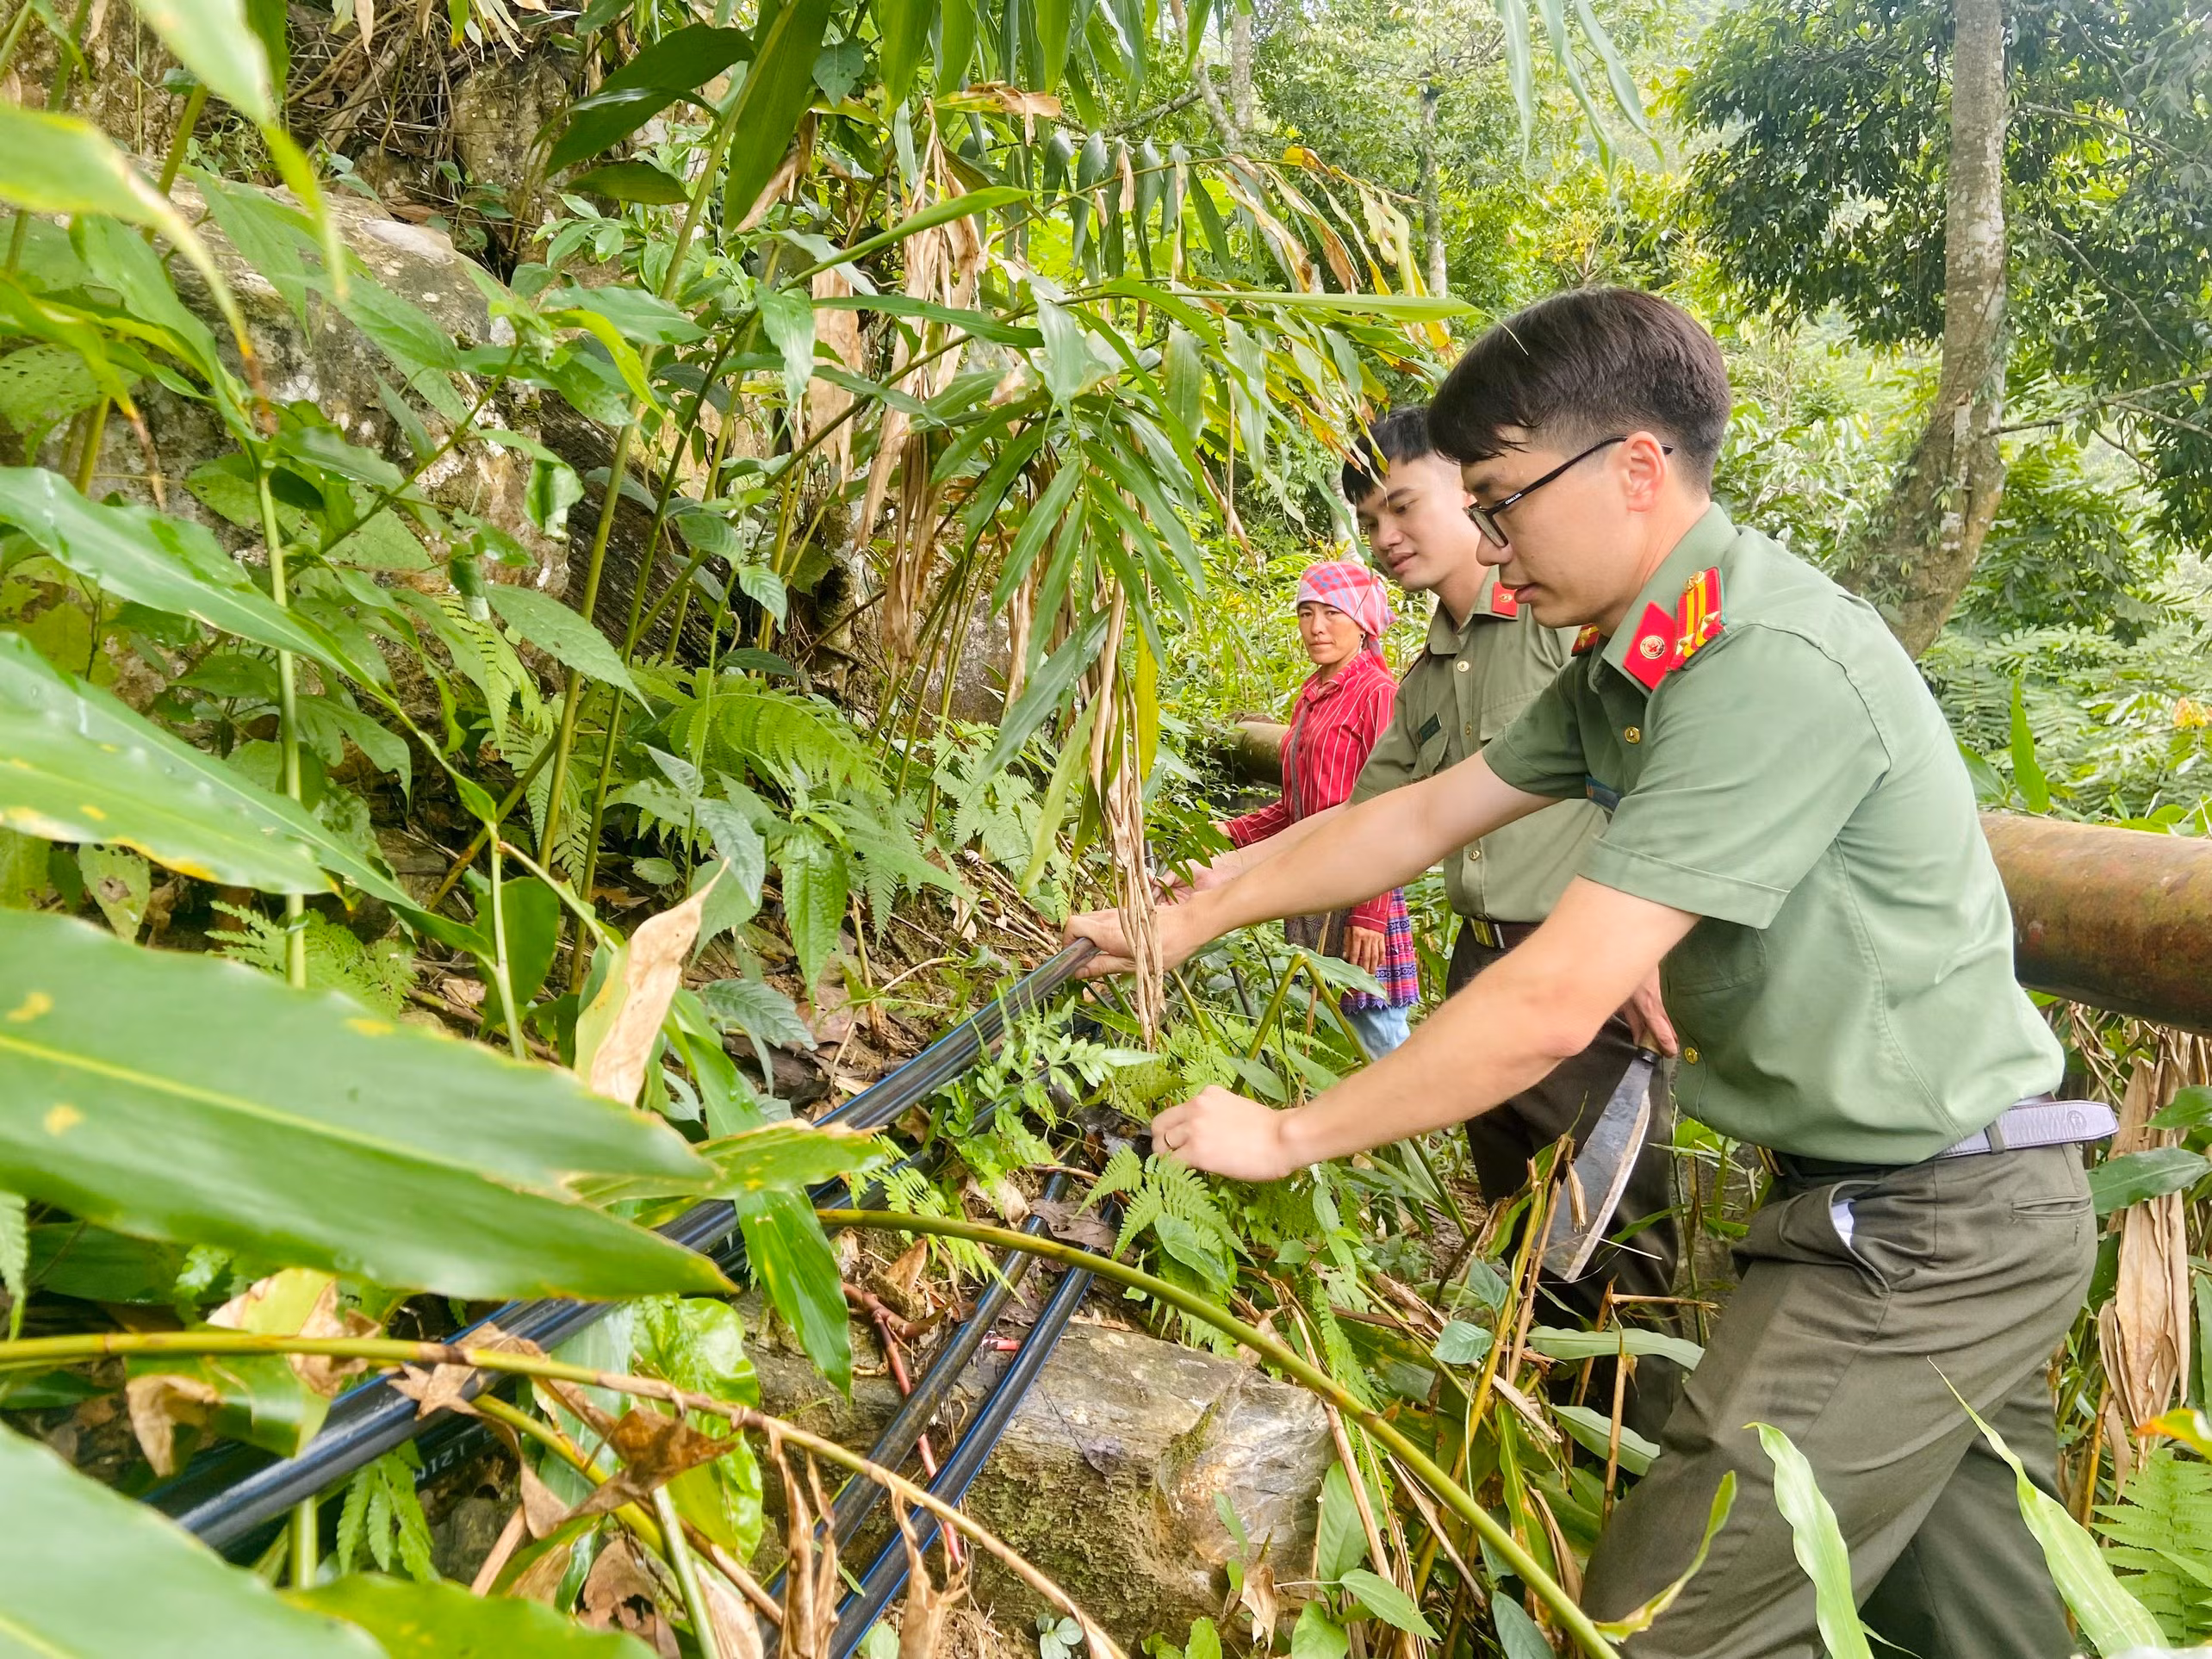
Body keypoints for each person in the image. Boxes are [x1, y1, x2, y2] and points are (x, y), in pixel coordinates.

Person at [1072, 288, 2103, 1657]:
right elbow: (1421, 814)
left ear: (1632, 466)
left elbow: (1560, 993)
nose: (1489, 547)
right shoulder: (1648, 653)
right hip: (1900, 1202)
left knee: (1651, 1625)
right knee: (1991, 1623)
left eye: (1501, 502)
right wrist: (1186, 917)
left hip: (1929, 1230)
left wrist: (1291, 1133)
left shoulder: (1762, 661)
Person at [1193, 407, 1682, 1434]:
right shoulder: (1432, 669)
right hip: (1485, 965)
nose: (1386, 535)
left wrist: (1653, 932)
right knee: (1524, 1234)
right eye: (1370, 520)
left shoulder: (1566, 632)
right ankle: (1535, 1453)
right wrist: (1212, 893)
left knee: (1615, 1255)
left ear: (1475, 490)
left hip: (1588, 980)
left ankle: (1629, 1472)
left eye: (1403, 503)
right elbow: (1368, 820)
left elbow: (1663, 764)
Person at [1216, 559, 1420, 1058]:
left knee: (1380, 1031)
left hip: (1363, 888)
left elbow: (1390, 808)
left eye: (1332, 613)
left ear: (1363, 621)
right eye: (1306, 613)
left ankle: (1420, 1132)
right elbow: (1297, 807)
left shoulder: (1378, 695)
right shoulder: (1312, 698)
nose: (1316, 627)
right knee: (1340, 1023)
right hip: (1318, 878)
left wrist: (1370, 915)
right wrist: (1228, 834)